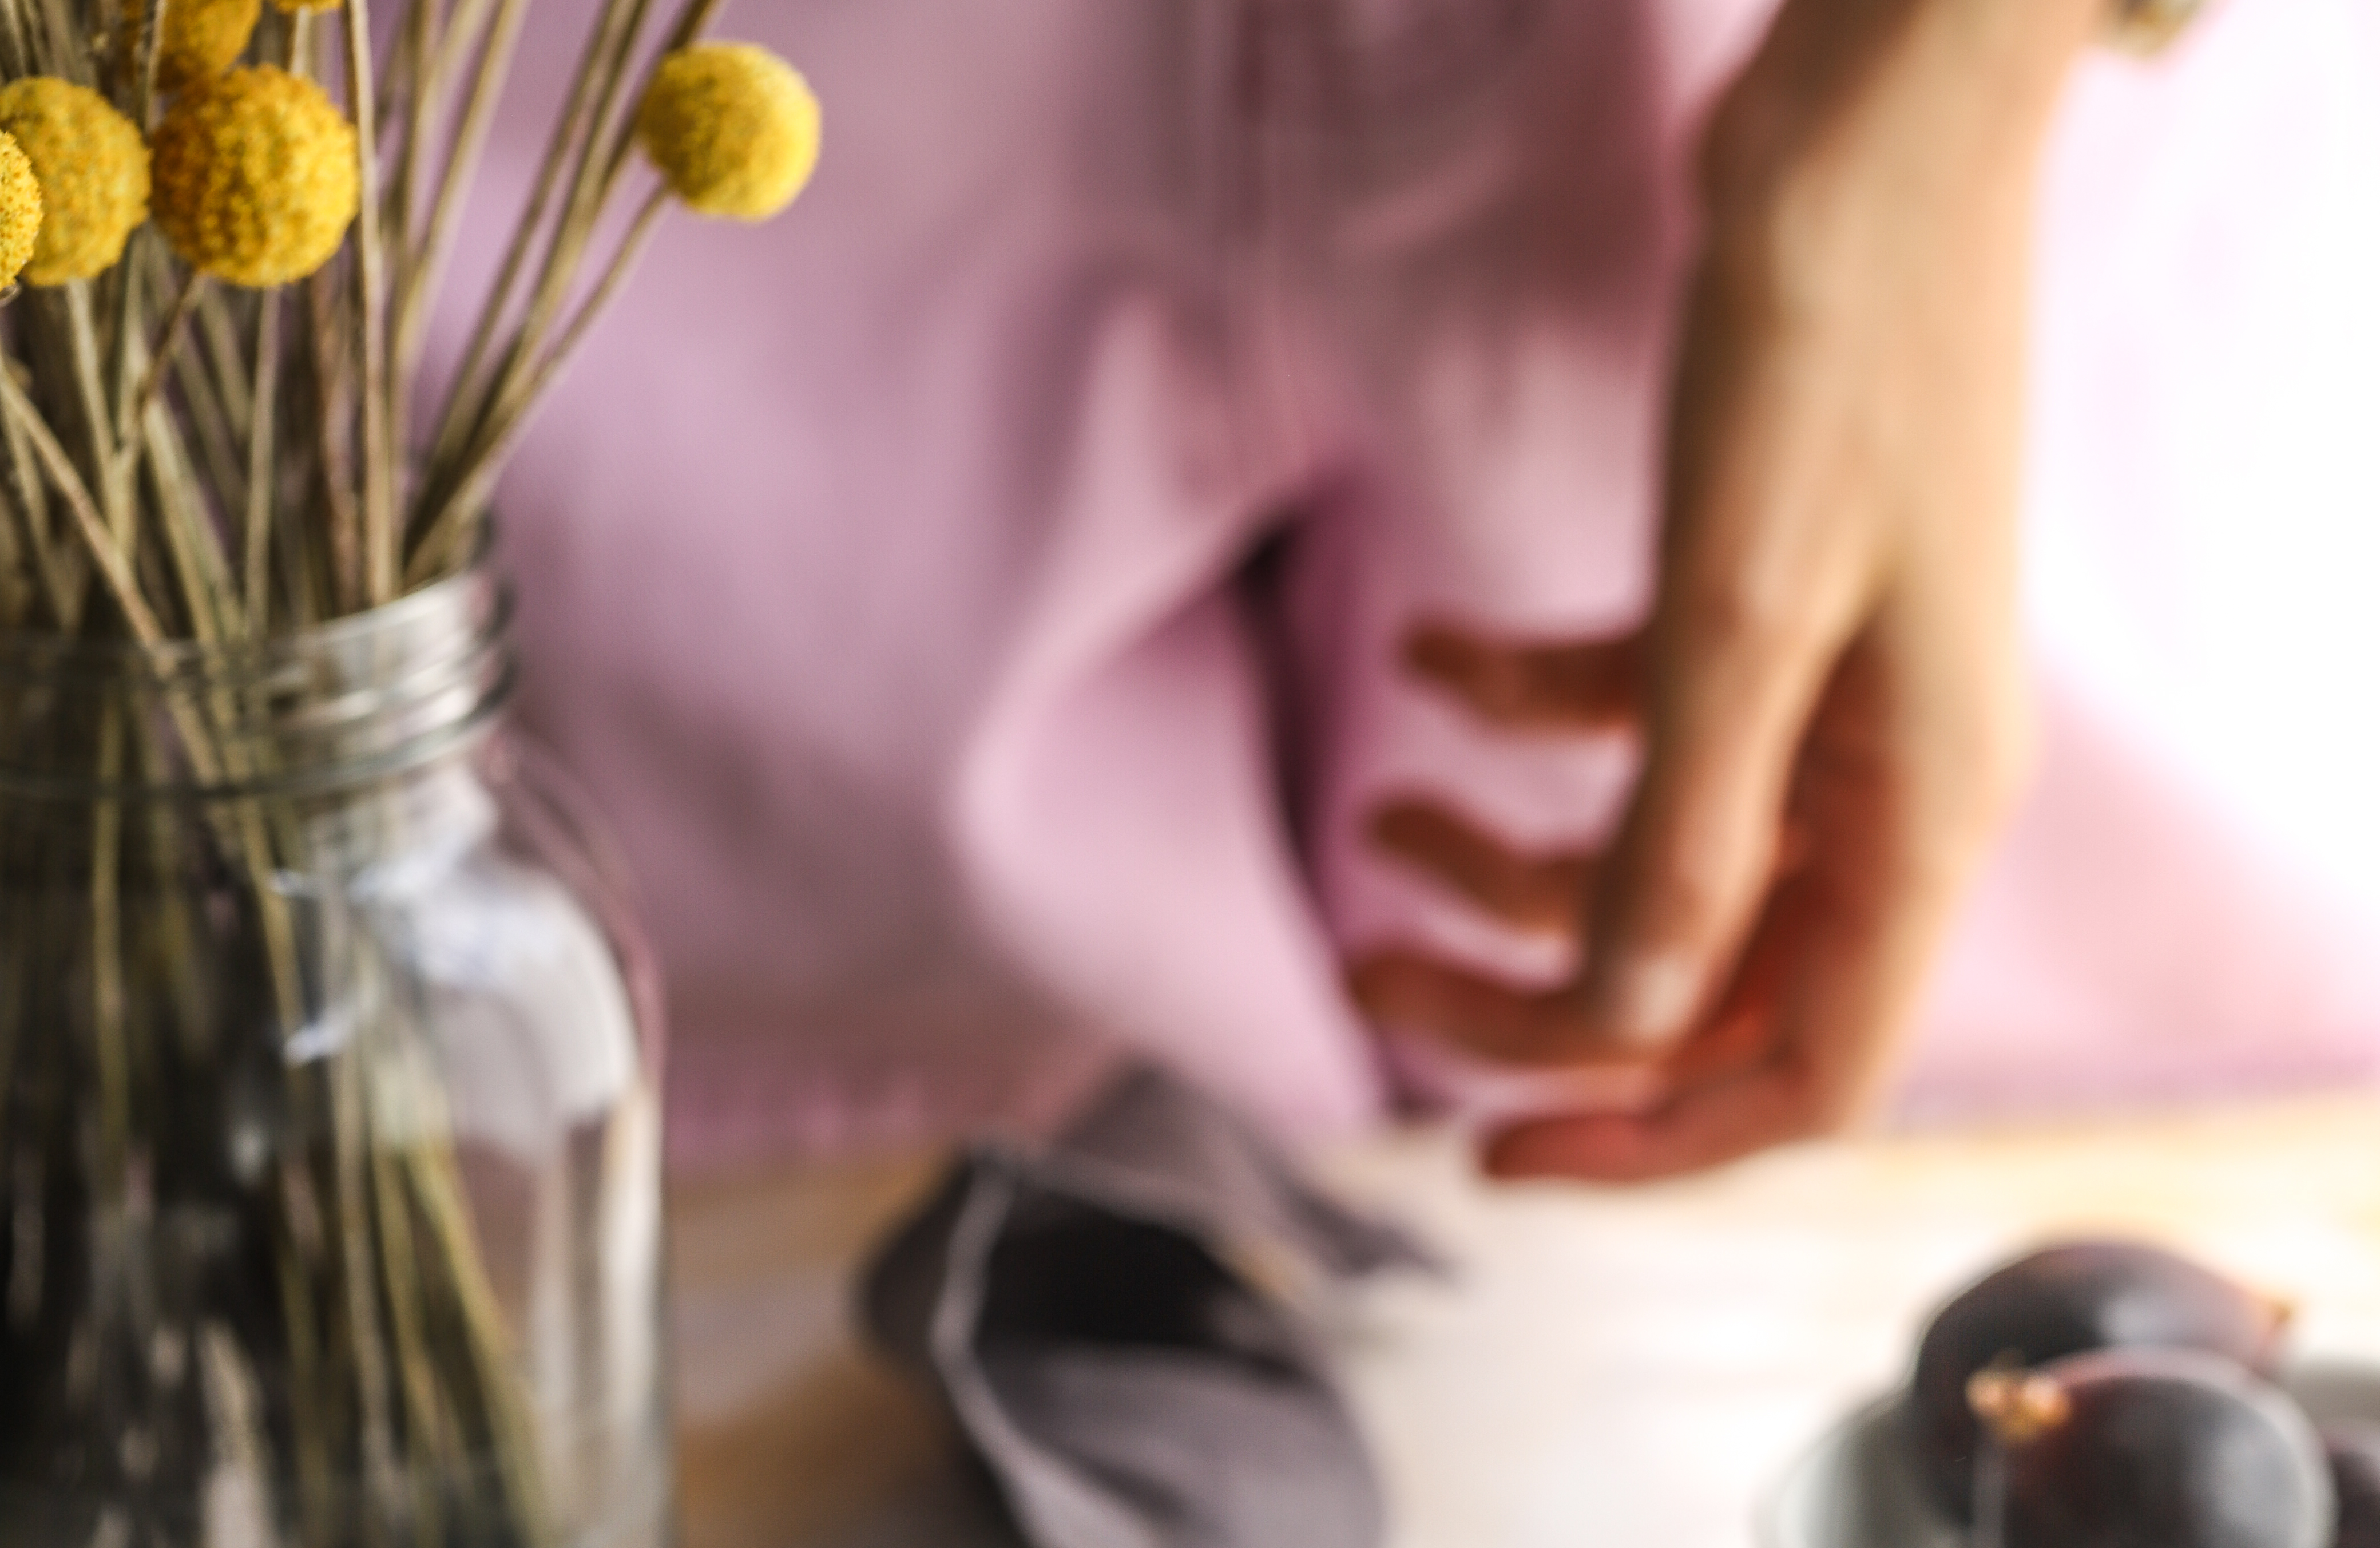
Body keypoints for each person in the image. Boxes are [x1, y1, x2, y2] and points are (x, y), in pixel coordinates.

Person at [485, 0, 2380, 1178]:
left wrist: (1948, 82)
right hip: (711, 167)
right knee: (741, 1276)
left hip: (1966, 162)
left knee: (2003, 1261)